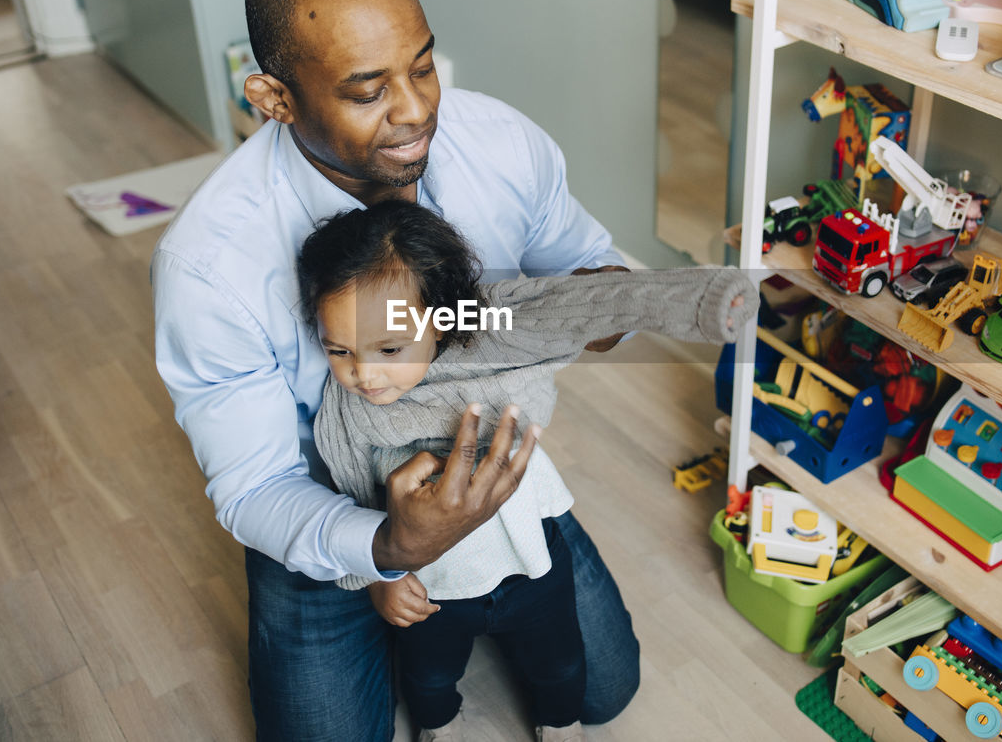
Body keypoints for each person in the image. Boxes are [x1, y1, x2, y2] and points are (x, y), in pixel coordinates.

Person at [151, 0, 641, 741]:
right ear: (274, 99)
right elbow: (253, 485)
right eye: (366, 89)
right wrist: (388, 543)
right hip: (333, 495)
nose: (416, 110)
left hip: (477, 461)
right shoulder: (210, 267)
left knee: (606, 690)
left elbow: (590, 263)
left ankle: (473, 593)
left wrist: (608, 305)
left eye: (421, 65)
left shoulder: (500, 144)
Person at [296, 201, 758, 741]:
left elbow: (575, 305)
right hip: (434, 590)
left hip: (531, 566)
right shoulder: (347, 410)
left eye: (389, 348)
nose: (364, 373)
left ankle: (559, 726)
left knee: (562, 666)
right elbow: (355, 499)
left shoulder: (486, 330)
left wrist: (700, 299)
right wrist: (380, 577)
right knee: (428, 677)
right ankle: (441, 727)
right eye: (340, 350)